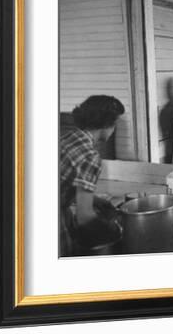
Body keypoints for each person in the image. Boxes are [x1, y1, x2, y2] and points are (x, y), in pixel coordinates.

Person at [60, 95, 125, 257]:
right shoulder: (90, 156)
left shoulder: (67, 138)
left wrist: (97, 201)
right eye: (115, 123)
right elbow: (84, 217)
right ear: (106, 124)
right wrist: (114, 230)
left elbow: (64, 183)